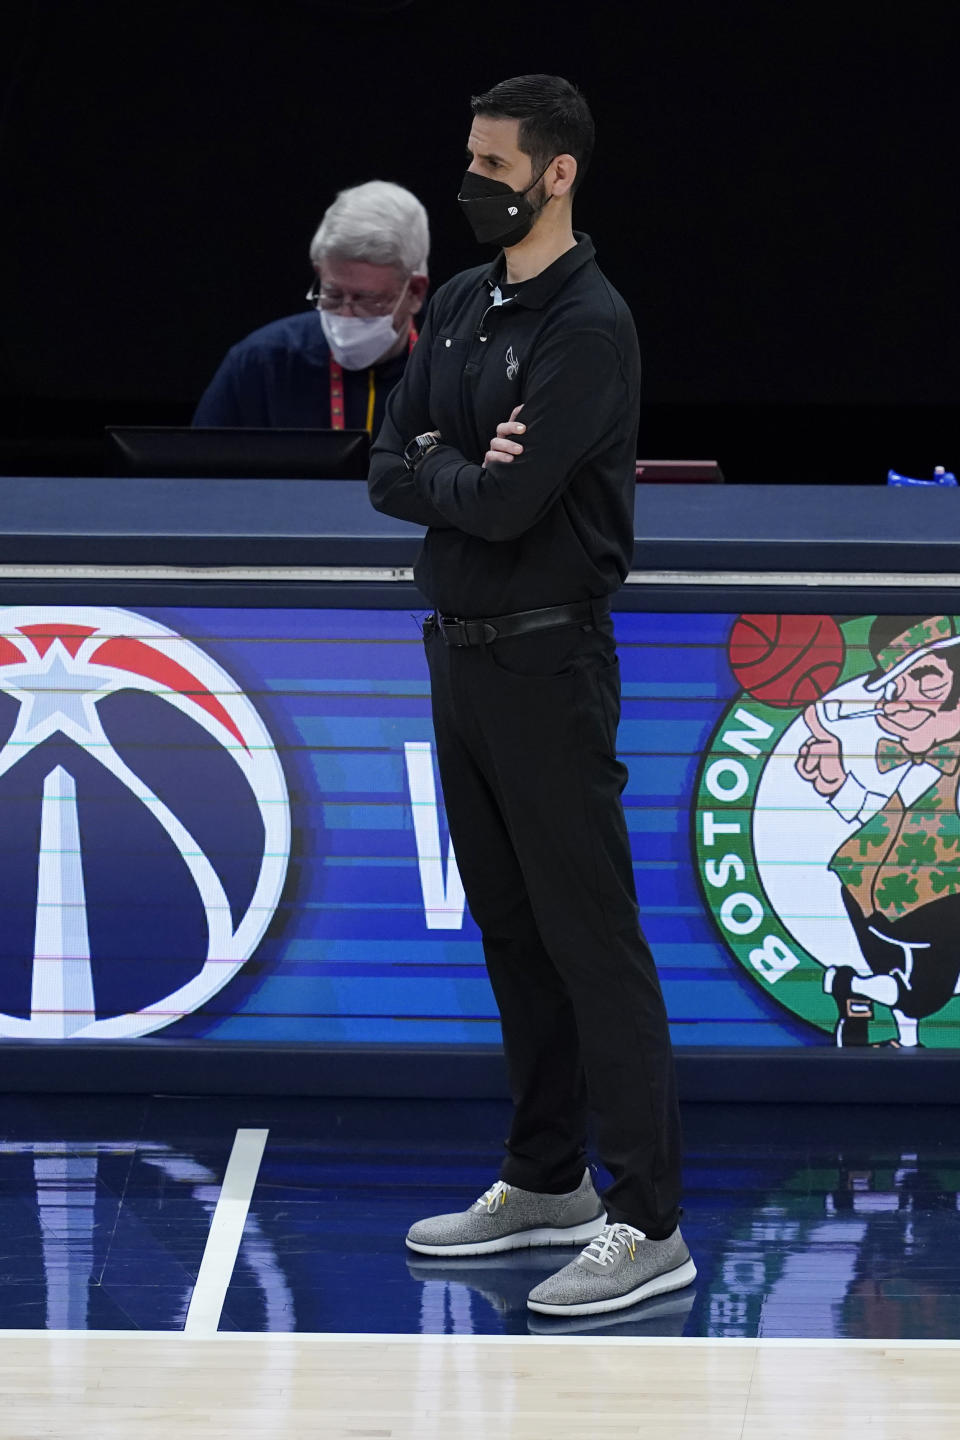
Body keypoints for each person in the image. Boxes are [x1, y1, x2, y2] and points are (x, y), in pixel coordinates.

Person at [368, 73, 693, 1319]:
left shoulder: (588, 326)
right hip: (457, 653)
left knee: (590, 938)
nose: (474, 184)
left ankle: (649, 1217)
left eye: (495, 165)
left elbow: (506, 503)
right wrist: (451, 456)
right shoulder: (455, 304)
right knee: (512, 929)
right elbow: (386, 464)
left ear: (557, 173)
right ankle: (545, 1177)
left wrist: (444, 467)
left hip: (551, 662)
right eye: (471, 159)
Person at [796, 613, 960, 1048]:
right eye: (894, 687)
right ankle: (858, 987)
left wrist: (840, 785)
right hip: (912, 897)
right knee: (924, 992)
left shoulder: (935, 767)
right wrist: (836, 784)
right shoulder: (923, 769)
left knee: (902, 979)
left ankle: (885, 1023)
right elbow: (882, 817)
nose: (899, 702)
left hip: (883, 893)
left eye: (924, 681)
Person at [193, 180, 429, 432]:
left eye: (367, 299)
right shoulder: (261, 364)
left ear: (415, 292)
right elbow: (196, 467)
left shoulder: (453, 367)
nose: (346, 315)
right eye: (333, 294)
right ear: (320, 272)